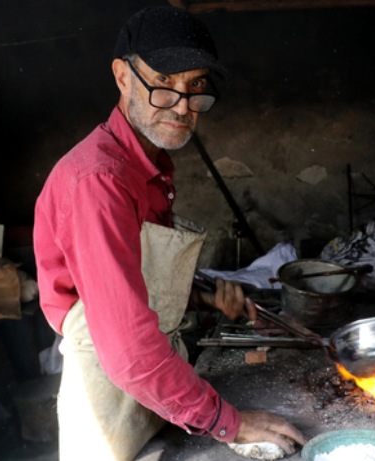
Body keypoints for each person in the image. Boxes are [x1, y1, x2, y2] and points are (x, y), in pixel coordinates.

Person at [33, 6, 307, 461]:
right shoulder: (99, 182)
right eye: (164, 84)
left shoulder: (149, 164)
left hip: (153, 378)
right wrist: (231, 423)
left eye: (195, 87)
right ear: (122, 77)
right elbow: (125, 347)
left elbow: (133, 279)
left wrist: (200, 297)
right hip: (109, 387)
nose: (182, 106)